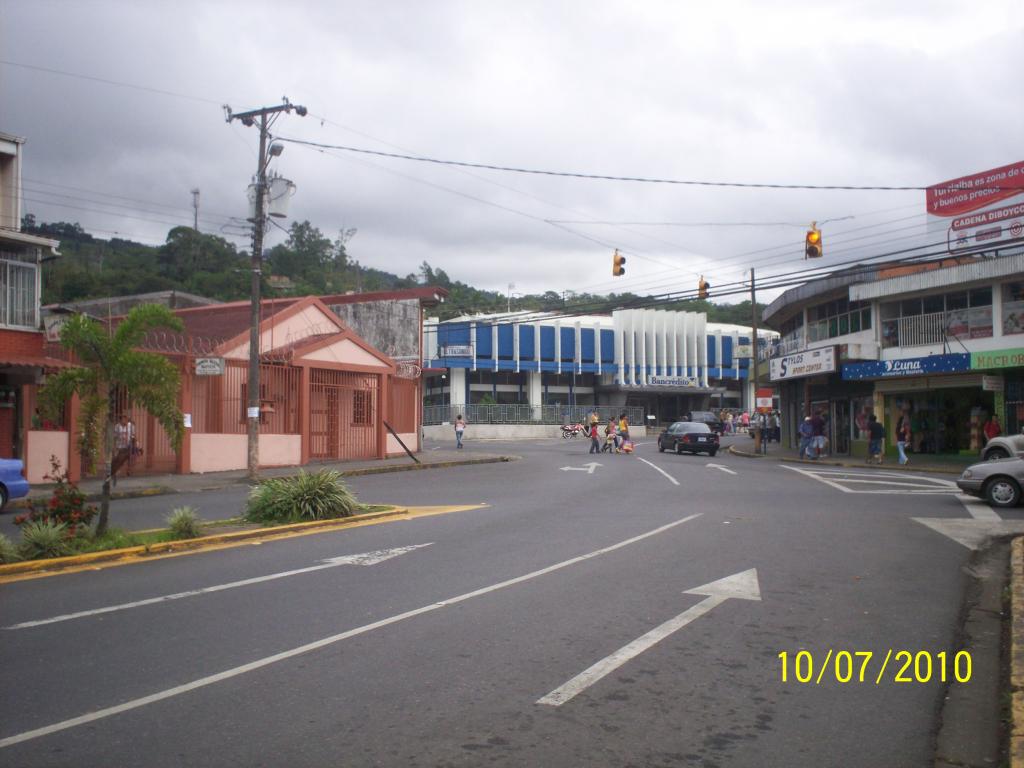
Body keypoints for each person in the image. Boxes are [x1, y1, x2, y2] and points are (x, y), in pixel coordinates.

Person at [111, 413, 136, 485]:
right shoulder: (117, 426)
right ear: (120, 420)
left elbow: (134, 435)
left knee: (131, 458)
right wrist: (114, 447)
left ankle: (129, 470)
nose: (124, 420)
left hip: (128, 447)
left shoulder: (131, 426)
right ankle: (113, 473)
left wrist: (134, 441)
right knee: (118, 461)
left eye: (126, 418)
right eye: (123, 419)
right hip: (120, 447)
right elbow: (115, 437)